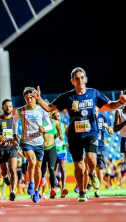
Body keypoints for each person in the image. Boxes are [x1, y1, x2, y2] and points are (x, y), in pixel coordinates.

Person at [32, 67, 126, 201]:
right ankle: (82, 192)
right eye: (77, 78)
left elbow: (111, 105)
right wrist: (39, 99)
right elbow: (49, 108)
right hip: (74, 135)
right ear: (72, 81)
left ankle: (92, 174)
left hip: (91, 132)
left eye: (82, 78)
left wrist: (121, 102)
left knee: (91, 160)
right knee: (79, 165)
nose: (80, 80)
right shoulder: (68, 96)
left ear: (86, 79)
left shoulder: (94, 93)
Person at [13, 87, 52, 203]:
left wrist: (44, 128)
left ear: (35, 98)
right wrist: (15, 135)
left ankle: (36, 191)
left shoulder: (42, 110)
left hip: (39, 142)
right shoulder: (20, 110)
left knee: (38, 168)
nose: (29, 100)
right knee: (32, 161)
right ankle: (30, 182)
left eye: (31, 98)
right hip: (26, 141)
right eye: (26, 98)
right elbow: (14, 122)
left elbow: (50, 125)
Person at [40, 109, 63, 199]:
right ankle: (41, 179)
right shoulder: (40, 122)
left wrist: (60, 135)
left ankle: (52, 189)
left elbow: (59, 128)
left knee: (51, 169)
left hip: (51, 148)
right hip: (41, 149)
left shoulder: (54, 122)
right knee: (42, 169)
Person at [95, 106, 114, 197]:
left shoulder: (103, 118)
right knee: (89, 168)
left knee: (100, 170)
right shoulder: (86, 117)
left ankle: (98, 190)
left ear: (98, 107)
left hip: (100, 147)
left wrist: (107, 127)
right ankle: (87, 187)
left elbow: (111, 131)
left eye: (96, 105)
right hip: (89, 147)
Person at [51, 111, 69, 197]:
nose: (57, 117)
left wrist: (68, 143)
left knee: (63, 169)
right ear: (52, 118)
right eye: (55, 116)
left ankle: (63, 189)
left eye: (58, 116)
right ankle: (53, 189)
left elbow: (68, 136)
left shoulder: (64, 126)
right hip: (53, 150)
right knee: (53, 170)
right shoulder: (50, 126)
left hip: (62, 150)